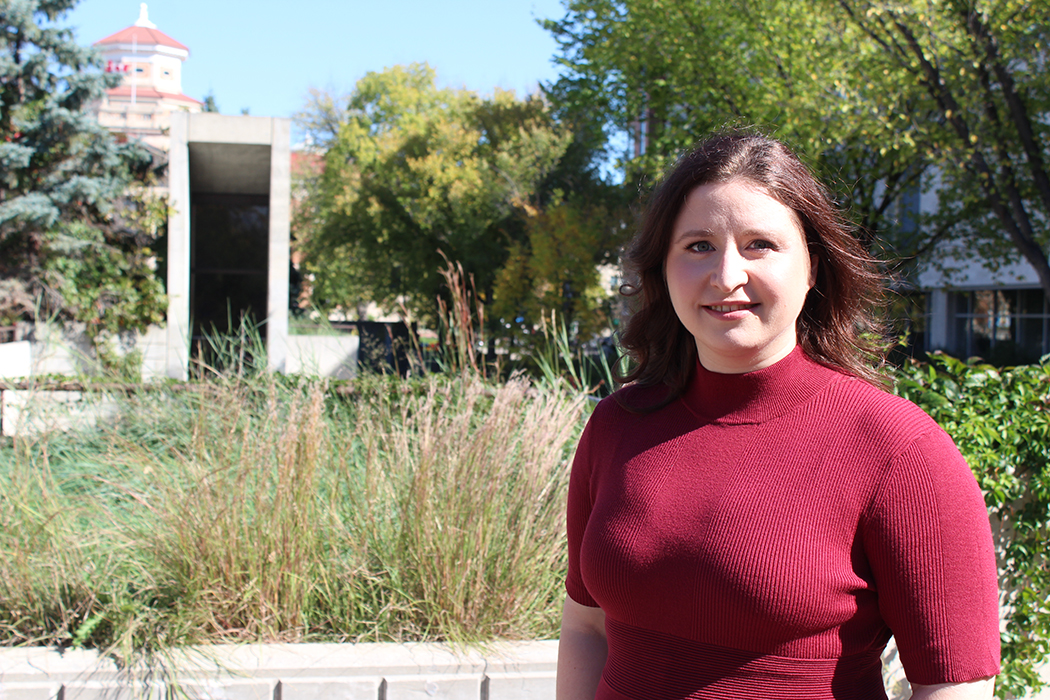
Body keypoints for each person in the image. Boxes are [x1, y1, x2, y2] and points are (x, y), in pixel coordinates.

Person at [557, 131, 1000, 700]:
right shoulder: (618, 426)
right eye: (697, 246)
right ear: (663, 270)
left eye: (759, 244)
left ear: (812, 268)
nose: (726, 275)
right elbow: (586, 623)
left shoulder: (898, 449)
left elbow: (953, 685)